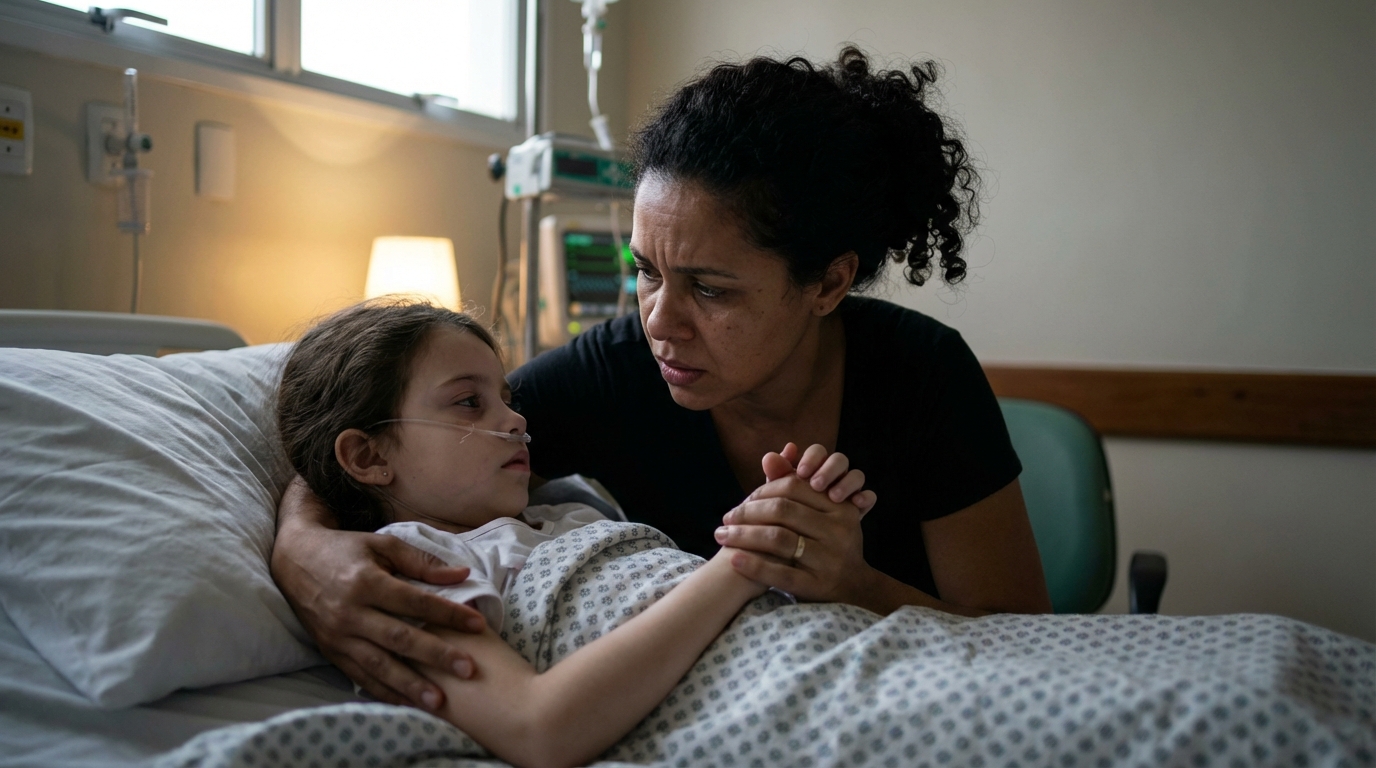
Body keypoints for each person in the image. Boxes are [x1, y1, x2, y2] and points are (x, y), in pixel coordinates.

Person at [271, 46, 1051, 712]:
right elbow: (384, 440)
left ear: (827, 284)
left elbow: (1027, 637)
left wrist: (856, 582)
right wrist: (304, 550)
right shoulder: (609, 374)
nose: (659, 322)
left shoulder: (921, 373)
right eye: (645, 272)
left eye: (711, 289)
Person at [275, 299, 873, 768]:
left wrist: (802, 532)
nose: (515, 419)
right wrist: (742, 562)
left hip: (829, 651)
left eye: (505, 398)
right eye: (467, 403)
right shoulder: (413, 568)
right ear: (367, 456)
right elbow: (540, 730)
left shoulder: (566, 508)